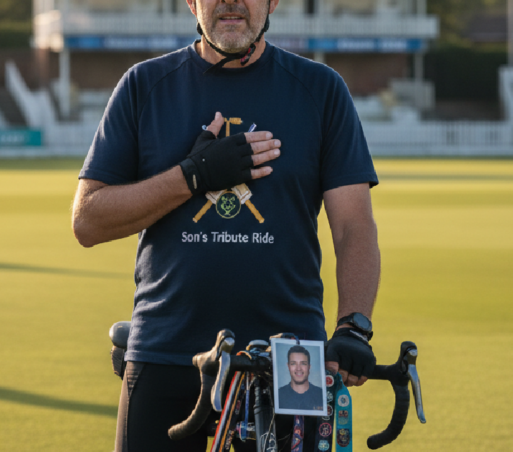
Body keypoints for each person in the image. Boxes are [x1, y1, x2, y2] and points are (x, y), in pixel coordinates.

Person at [71, 0, 381, 450]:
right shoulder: (144, 85)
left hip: (291, 362)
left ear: (273, 2)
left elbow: (354, 226)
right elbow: (87, 221)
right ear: (191, 2)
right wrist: (192, 176)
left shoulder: (321, 89)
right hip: (165, 351)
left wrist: (354, 326)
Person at [278, 345, 324, 411]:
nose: (298, 368)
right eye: (293, 363)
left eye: (303, 363)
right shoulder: (279, 395)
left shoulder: (321, 394)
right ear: (288, 366)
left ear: (309, 367)